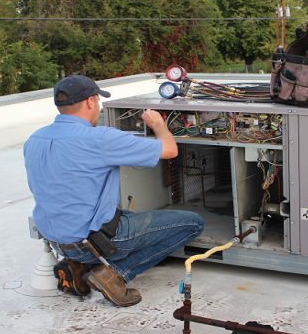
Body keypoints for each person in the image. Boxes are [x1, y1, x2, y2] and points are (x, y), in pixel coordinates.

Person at [24, 75, 204, 307]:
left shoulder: (34, 138)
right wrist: (158, 125)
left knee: (123, 214)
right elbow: (169, 150)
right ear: (91, 101)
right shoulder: (101, 139)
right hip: (94, 242)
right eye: (98, 102)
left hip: (55, 240)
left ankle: (78, 267)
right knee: (193, 223)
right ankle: (116, 274)